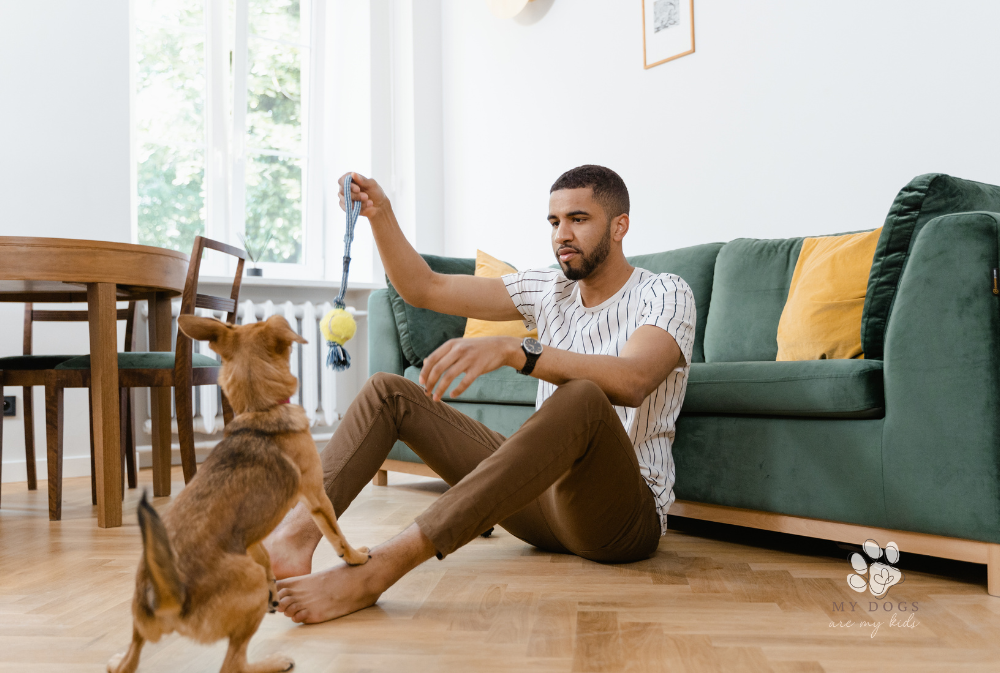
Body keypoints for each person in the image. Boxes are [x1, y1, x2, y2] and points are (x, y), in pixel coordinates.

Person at [266, 164, 696, 624]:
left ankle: (379, 568)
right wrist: (381, 214)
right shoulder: (548, 290)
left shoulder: (665, 292)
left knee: (583, 398)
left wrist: (518, 350)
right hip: (540, 510)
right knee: (388, 393)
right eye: (554, 222)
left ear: (619, 226)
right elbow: (423, 288)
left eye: (578, 219)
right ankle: (292, 540)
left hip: (620, 521)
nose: (562, 235)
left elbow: (632, 381)